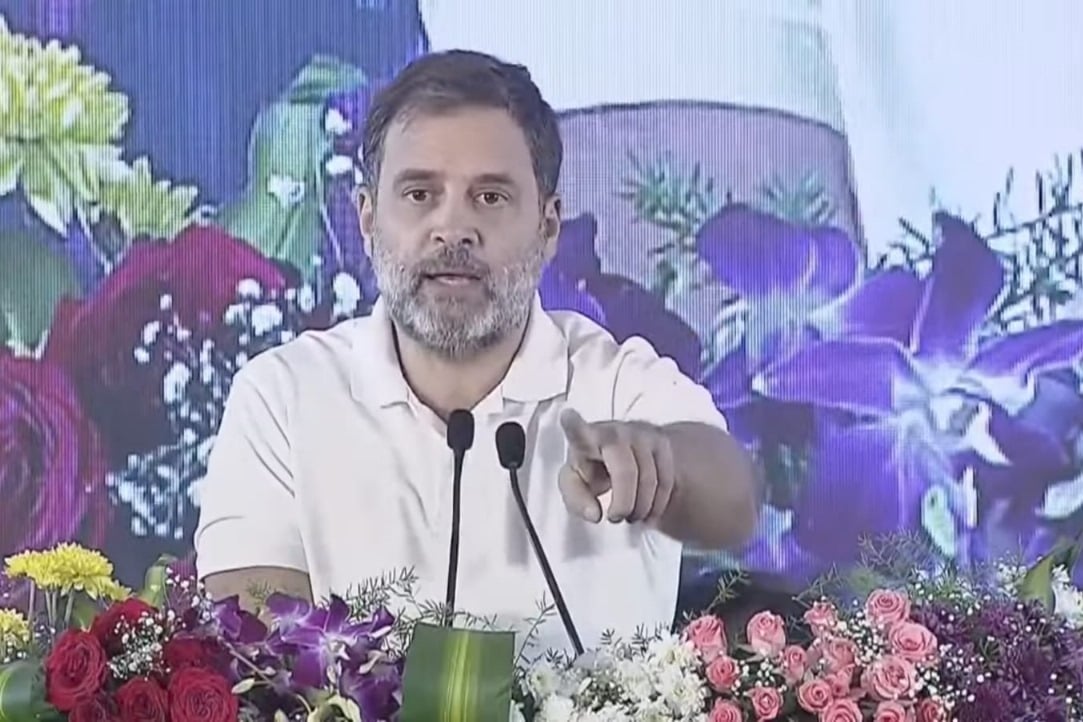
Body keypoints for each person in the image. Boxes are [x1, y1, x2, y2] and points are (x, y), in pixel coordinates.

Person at [194, 49, 758, 652]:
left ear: (547, 230)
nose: (453, 229)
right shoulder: (281, 394)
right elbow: (251, 643)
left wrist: (660, 464)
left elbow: (732, 503)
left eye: (489, 197)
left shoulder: (612, 382)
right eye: (419, 195)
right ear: (366, 220)